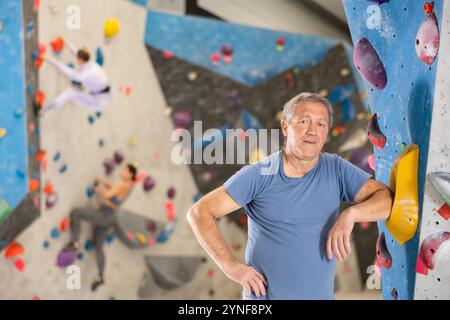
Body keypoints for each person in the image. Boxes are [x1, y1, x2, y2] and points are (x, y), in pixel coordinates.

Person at [187, 92, 394, 300]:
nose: (313, 130)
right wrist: (232, 268)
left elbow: (386, 199)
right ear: (285, 127)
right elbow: (200, 213)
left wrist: (351, 214)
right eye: (304, 121)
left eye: (321, 124)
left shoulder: (336, 169)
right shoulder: (261, 173)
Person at [64, 163, 138, 291]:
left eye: (125, 171)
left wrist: (98, 191)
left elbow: (109, 195)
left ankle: (75, 242)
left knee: (76, 213)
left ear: (130, 174)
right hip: (111, 218)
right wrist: (103, 181)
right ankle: (101, 276)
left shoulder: (122, 184)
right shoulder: (129, 186)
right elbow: (115, 192)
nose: (122, 172)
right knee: (98, 247)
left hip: (104, 215)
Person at [40, 40, 111, 114]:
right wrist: (65, 42)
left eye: (77, 59)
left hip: (97, 102)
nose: (76, 60)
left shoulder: (83, 75)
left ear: (80, 60)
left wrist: (46, 58)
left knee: (69, 93)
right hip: (102, 91)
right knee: (80, 84)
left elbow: (62, 68)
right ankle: (81, 86)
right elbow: (78, 53)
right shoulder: (90, 61)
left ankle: (43, 109)